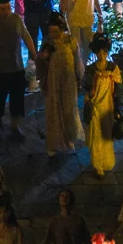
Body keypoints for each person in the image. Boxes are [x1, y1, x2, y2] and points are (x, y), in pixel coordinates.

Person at [0, 0, 37, 140]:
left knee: (17, 100)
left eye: (7, 8)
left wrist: (34, 53)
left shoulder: (16, 20)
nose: (5, 12)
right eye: (1, 9)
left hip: (16, 67)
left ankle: (14, 125)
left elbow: (26, 36)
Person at [38, 12, 82, 158]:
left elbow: (77, 61)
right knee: (53, 110)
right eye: (51, 31)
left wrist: (79, 78)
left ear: (62, 29)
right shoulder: (47, 42)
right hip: (52, 80)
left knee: (69, 109)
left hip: (68, 80)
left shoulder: (71, 41)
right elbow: (41, 62)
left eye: (56, 31)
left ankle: (69, 139)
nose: (53, 34)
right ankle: (53, 144)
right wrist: (43, 59)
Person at [84, 37, 123, 178]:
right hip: (95, 104)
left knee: (106, 133)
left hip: (108, 104)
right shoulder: (91, 69)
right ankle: (98, 165)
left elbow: (118, 84)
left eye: (104, 53)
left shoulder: (113, 68)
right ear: (95, 53)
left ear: (107, 53)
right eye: (99, 53)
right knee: (96, 134)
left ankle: (106, 161)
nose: (102, 56)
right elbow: (86, 87)